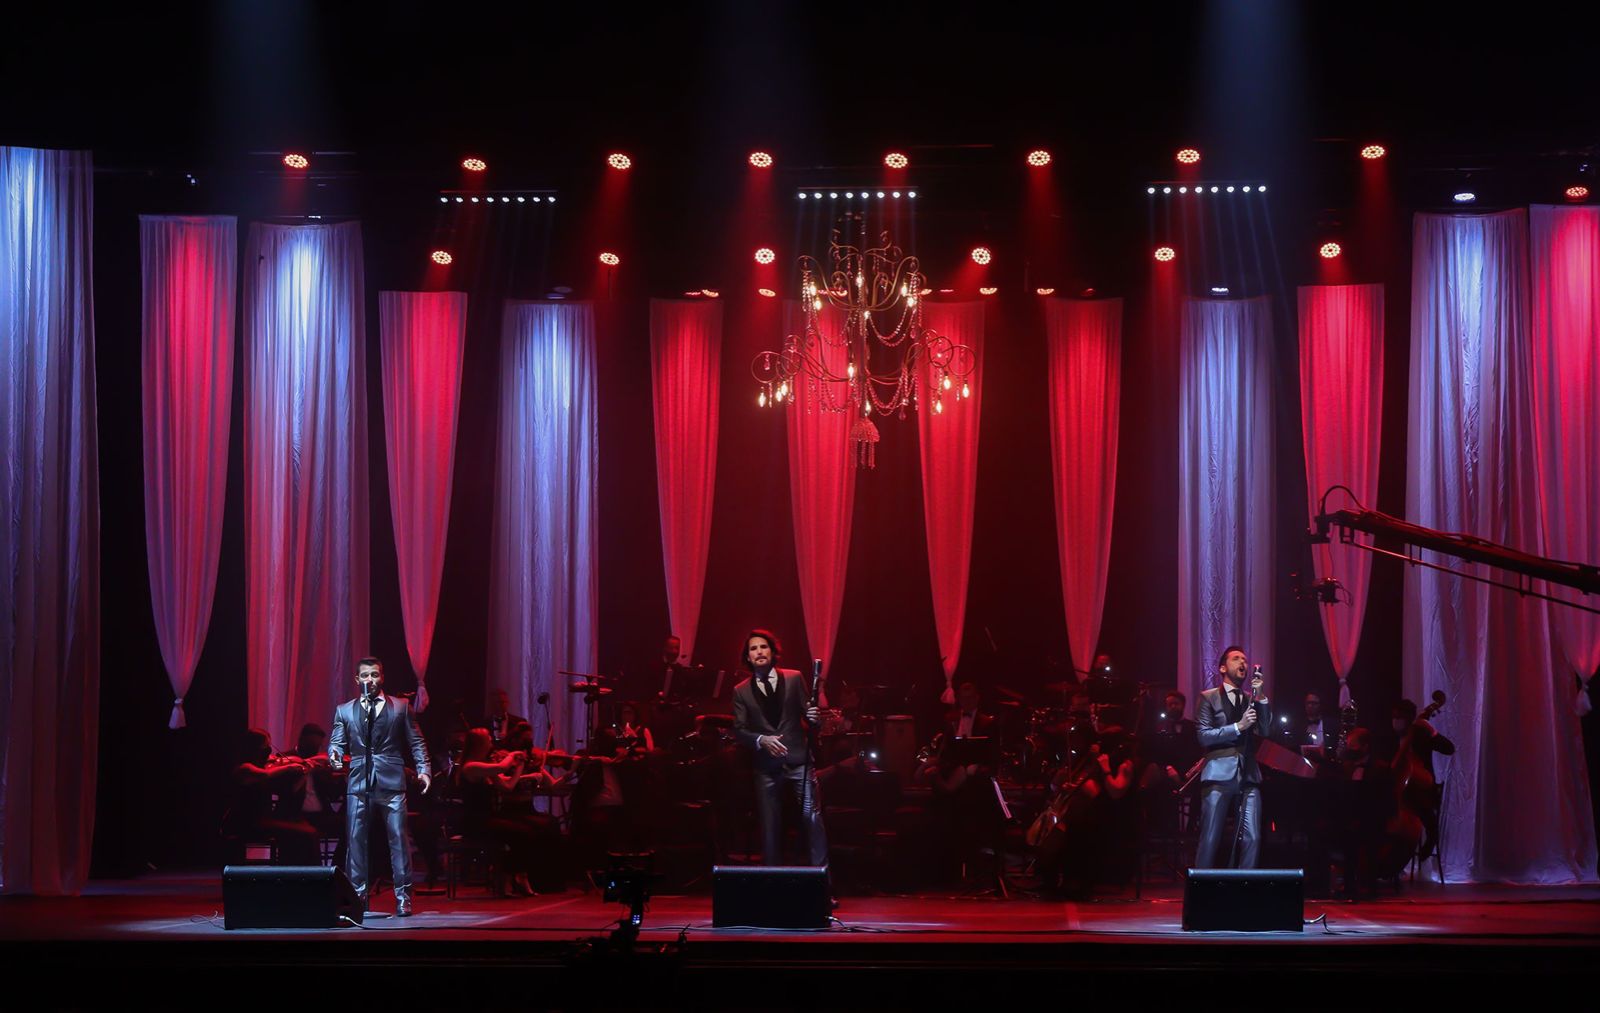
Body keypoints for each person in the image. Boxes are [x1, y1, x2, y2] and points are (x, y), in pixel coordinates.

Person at [329, 657, 432, 916]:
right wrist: (334, 755)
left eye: (375, 675)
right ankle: (357, 897)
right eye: (365, 676)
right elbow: (337, 742)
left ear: (382, 677)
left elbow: (417, 741)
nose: (370, 680)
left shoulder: (400, 707)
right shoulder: (344, 710)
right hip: (358, 781)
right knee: (355, 841)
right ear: (357, 679)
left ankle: (403, 897)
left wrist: (424, 770)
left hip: (391, 781)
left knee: (398, 839)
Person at [730, 629, 830, 869]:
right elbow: (740, 730)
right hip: (766, 767)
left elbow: (811, 718)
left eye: (763, 646)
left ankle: (823, 884)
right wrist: (761, 739)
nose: (759, 652)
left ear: (773, 652)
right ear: (748, 657)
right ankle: (772, 885)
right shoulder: (740, 690)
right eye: (753, 649)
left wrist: (815, 717)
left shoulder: (794, 678)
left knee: (812, 818)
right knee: (770, 827)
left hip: (798, 760)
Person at [1193, 645, 1271, 869]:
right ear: (1223, 667)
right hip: (1218, 773)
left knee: (1252, 837)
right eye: (1236, 659)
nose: (1243, 663)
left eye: (1245, 660)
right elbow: (1203, 736)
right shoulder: (1208, 698)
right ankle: (1201, 892)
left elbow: (1265, 731)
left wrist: (1261, 696)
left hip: (1248, 774)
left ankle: (1245, 891)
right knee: (1210, 838)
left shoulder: (1252, 698)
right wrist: (1238, 727)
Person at [223, 728, 319, 866]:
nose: (269, 751)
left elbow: (290, 790)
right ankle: (304, 876)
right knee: (306, 834)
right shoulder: (244, 768)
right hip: (246, 822)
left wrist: (303, 774)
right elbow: (264, 775)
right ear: (254, 747)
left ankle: (300, 876)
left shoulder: (263, 766)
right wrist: (290, 767)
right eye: (265, 746)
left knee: (306, 832)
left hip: (264, 820)